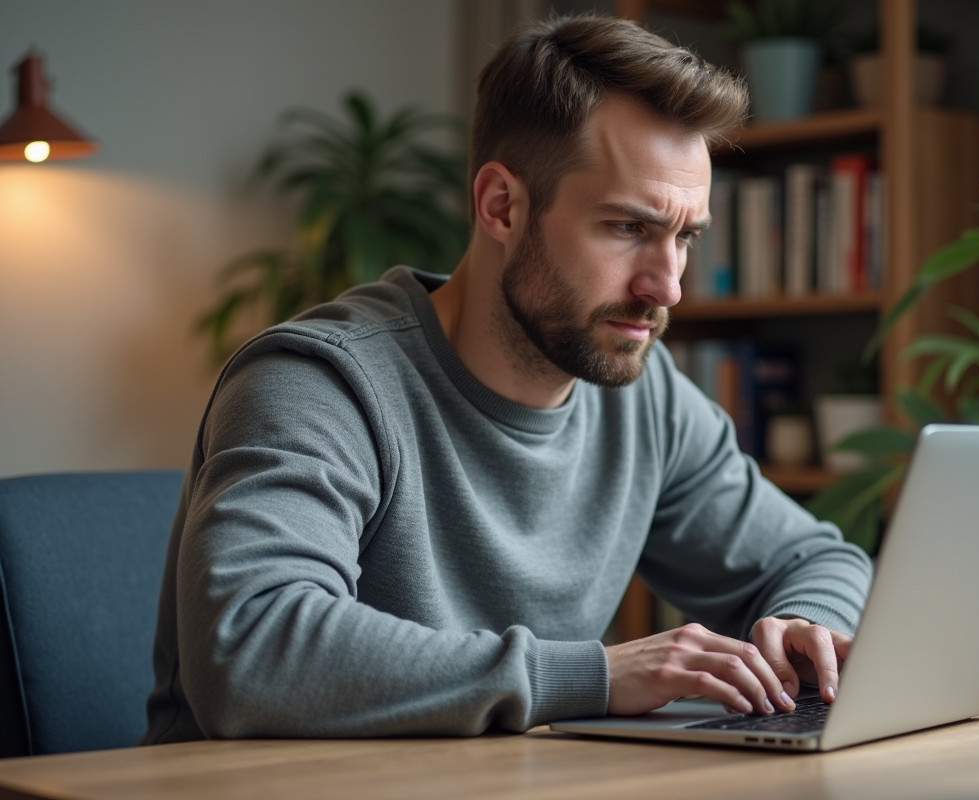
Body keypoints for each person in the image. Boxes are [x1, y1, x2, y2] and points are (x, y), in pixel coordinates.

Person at [142, 14, 872, 744]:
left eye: (685, 236)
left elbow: (816, 558)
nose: (668, 287)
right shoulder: (321, 384)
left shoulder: (646, 404)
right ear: (501, 206)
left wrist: (809, 626)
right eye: (627, 228)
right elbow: (250, 647)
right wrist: (597, 678)